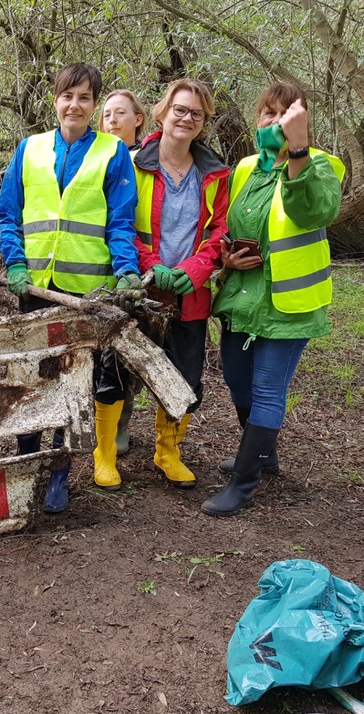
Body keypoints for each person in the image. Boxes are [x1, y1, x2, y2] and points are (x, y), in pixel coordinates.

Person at [0, 62, 140, 512]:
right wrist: (15, 263)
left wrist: (127, 270)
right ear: (55, 101)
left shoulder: (112, 152)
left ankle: (59, 470)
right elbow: (9, 215)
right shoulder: (30, 149)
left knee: (72, 384)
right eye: (67, 96)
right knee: (28, 379)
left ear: (94, 105)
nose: (74, 105)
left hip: (85, 291)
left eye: (83, 98)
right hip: (35, 288)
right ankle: (26, 462)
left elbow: (121, 220)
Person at [203, 82, 344, 516]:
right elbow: (228, 222)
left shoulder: (322, 164)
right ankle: (264, 454)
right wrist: (226, 253)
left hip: (288, 303)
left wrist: (298, 150)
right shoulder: (247, 167)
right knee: (236, 381)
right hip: (241, 295)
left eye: (284, 115)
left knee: (266, 390)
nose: (274, 121)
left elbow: (314, 212)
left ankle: (244, 483)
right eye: (267, 113)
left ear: (299, 122)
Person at [132, 78, 230, 488]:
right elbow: (118, 224)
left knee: (187, 376)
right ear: (162, 112)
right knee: (118, 372)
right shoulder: (132, 162)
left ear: (203, 122)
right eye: (180, 109)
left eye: (196, 113)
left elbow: (220, 230)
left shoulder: (215, 173)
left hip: (191, 294)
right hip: (139, 289)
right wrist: (153, 266)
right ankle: (105, 452)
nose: (186, 118)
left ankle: (167, 451)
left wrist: (193, 271)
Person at [99, 88, 147, 456]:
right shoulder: (96, 156)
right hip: (99, 264)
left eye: (120, 114)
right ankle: (98, 423)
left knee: (126, 352)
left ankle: (123, 420)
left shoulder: (149, 160)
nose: (112, 121)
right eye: (107, 114)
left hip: (138, 266)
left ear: (138, 119)